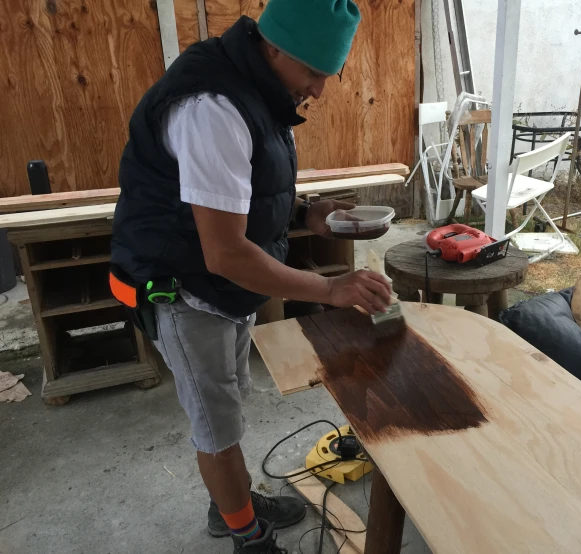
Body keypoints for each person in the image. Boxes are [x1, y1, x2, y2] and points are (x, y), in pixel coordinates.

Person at [109, 1, 392, 552]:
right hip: (185, 289)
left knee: (231, 400)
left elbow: (243, 191)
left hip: (220, 286)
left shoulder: (256, 87)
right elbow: (225, 254)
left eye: (326, 76)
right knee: (216, 428)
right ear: (276, 46)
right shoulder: (211, 108)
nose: (318, 91)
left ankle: (230, 501)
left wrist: (308, 211)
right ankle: (247, 535)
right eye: (313, 73)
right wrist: (332, 290)